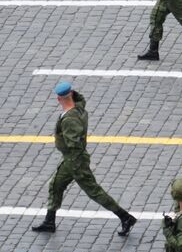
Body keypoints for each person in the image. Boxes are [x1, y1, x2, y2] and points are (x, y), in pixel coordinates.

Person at [31, 82, 137, 235]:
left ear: (58, 99)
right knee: (56, 185)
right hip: (72, 160)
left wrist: (65, 147)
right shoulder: (79, 107)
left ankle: (125, 217)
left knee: (94, 191)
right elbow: (80, 98)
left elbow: (74, 144)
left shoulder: (69, 120)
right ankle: (49, 221)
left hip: (75, 161)